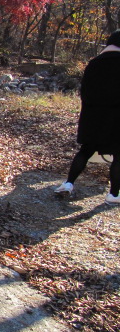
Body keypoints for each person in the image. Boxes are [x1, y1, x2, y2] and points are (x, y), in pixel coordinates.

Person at [54, 29, 120, 204]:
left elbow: (84, 91)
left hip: (93, 117)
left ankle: (68, 183)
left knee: (85, 151)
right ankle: (113, 194)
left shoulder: (94, 63)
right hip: (116, 119)